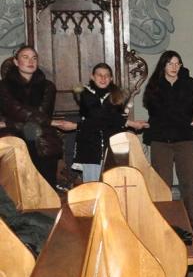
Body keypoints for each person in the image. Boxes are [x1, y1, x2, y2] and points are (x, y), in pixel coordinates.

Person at [0, 45, 76, 184]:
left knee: (45, 187)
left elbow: (41, 114)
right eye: (25, 57)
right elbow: (15, 109)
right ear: (16, 62)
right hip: (13, 138)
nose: (31, 61)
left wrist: (9, 123)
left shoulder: (48, 86)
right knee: (17, 186)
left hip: (42, 138)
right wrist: (51, 122)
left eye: (34, 58)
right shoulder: (3, 87)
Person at [143, 51, 193, 225]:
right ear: (163, 65)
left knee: (188, 182)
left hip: (184, 138)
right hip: (160, 139)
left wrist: (182, 80)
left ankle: (189, 222)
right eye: (170, 63)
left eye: (178, 63)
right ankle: (164, 221)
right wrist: (173, 111)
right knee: (163, 183)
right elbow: (155, 110)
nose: (174, 67)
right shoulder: (154, 84)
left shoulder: (188, 83)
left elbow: (187, 107)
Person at [73, 62, 147, 182]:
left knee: (114, 183)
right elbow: (98, 116)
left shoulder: (117, 95)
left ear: (111, 78)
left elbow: (114, 118)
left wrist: (125, 122)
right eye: (99, 75)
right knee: (93, 185)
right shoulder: (84, 94)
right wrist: (129, 123)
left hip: (113, 145)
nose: (103, 78)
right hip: (91, 147)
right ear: (92, 77)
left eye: (107, 75)